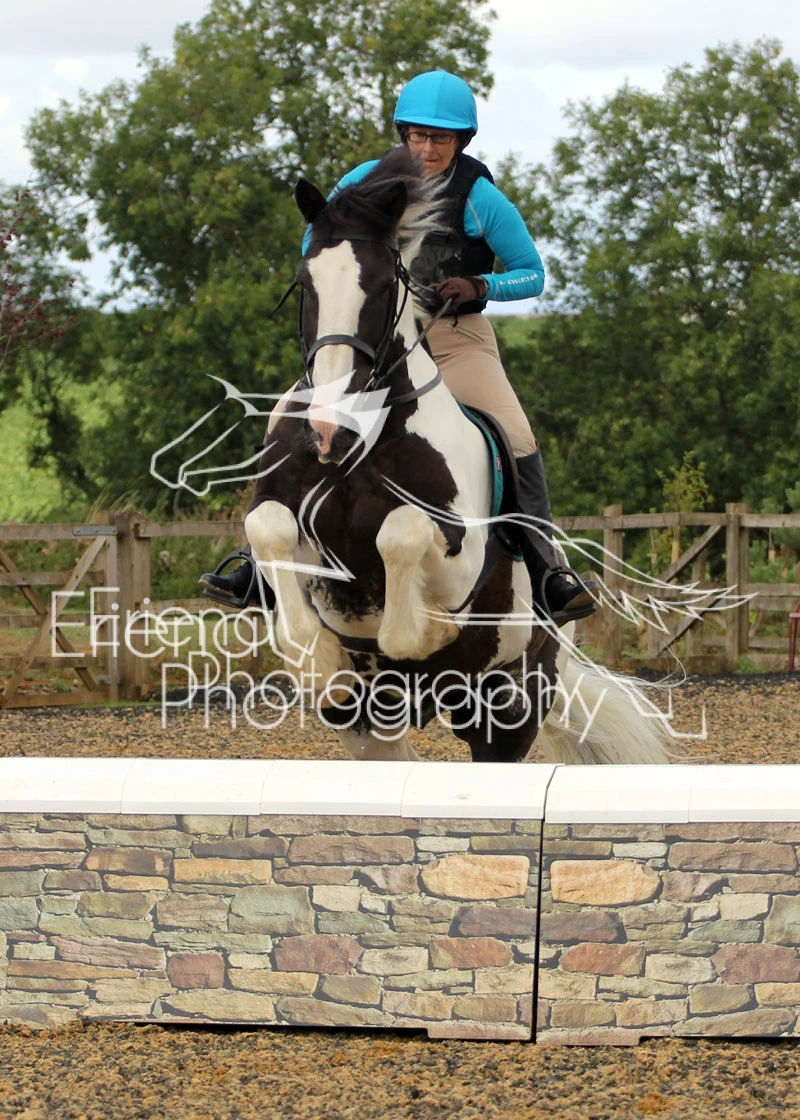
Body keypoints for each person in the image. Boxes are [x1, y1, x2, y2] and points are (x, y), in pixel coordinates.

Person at [201, 70, 595, 626]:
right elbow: (317, 240)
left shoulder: (480, 198)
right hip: (372, 340)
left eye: (441, 138)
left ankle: (547, 568)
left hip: (454, 339)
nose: (427, 149)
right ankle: (254, 564)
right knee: (284, 417)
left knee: (516, 433)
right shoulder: (362, 182)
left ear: (462, 140)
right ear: (403, 132)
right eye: (417, 135)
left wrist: (481, 285)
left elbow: (533, 273)